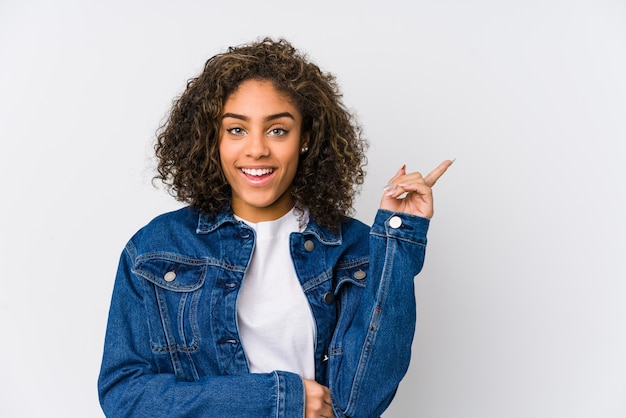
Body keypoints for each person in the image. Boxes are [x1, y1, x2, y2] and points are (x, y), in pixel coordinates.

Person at [98, 37, 452, 418]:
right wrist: (280, 398)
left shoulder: (353, 247)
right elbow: (124, 396)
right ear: (211, 139)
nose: (256, 150)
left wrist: (397, 238)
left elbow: (361, 402)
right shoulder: (156, 248)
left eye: (277, 130)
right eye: (236, 130)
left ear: (306, 139)